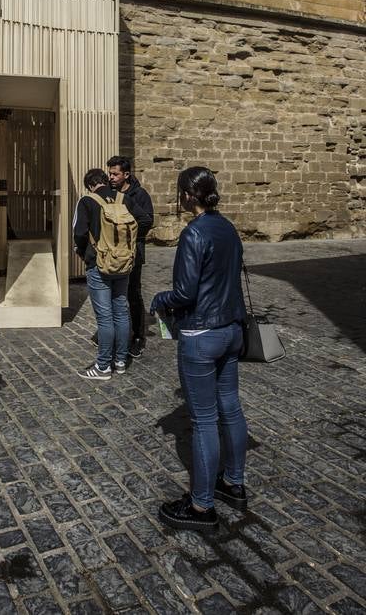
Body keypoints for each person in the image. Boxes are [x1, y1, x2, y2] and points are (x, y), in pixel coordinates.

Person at [150, 166, 248, 532]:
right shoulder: (228, 228)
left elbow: (184, 293)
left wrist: (160, 297)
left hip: (202, 334)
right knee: (231, 408)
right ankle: (233, 482)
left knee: (204, 420)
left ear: (186, 196)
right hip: (232, 330)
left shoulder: (193, 233)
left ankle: (202, 506)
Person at [73, 168, 153, 381]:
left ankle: (103, 366)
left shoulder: (87, 202)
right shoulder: (124, 199)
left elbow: (79, 233)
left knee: (104, 317)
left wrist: (83, 252)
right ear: (105, 181)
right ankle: (120, 361)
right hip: (123, 263)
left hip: (99, 264)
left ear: (90, 185)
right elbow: (145, 220)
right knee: (120, 311)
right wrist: (129, 245)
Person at [107, 156, 154, 358]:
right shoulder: (110, 193)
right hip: (113, 253)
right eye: (109, 173)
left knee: (133, 294)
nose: (111, 177)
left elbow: (147, 221)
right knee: (114, 295)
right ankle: (115, 333)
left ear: (126, 175)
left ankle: (138, 337)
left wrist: (126, 233)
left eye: (115, 173)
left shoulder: (140, 195)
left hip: (133, 252)